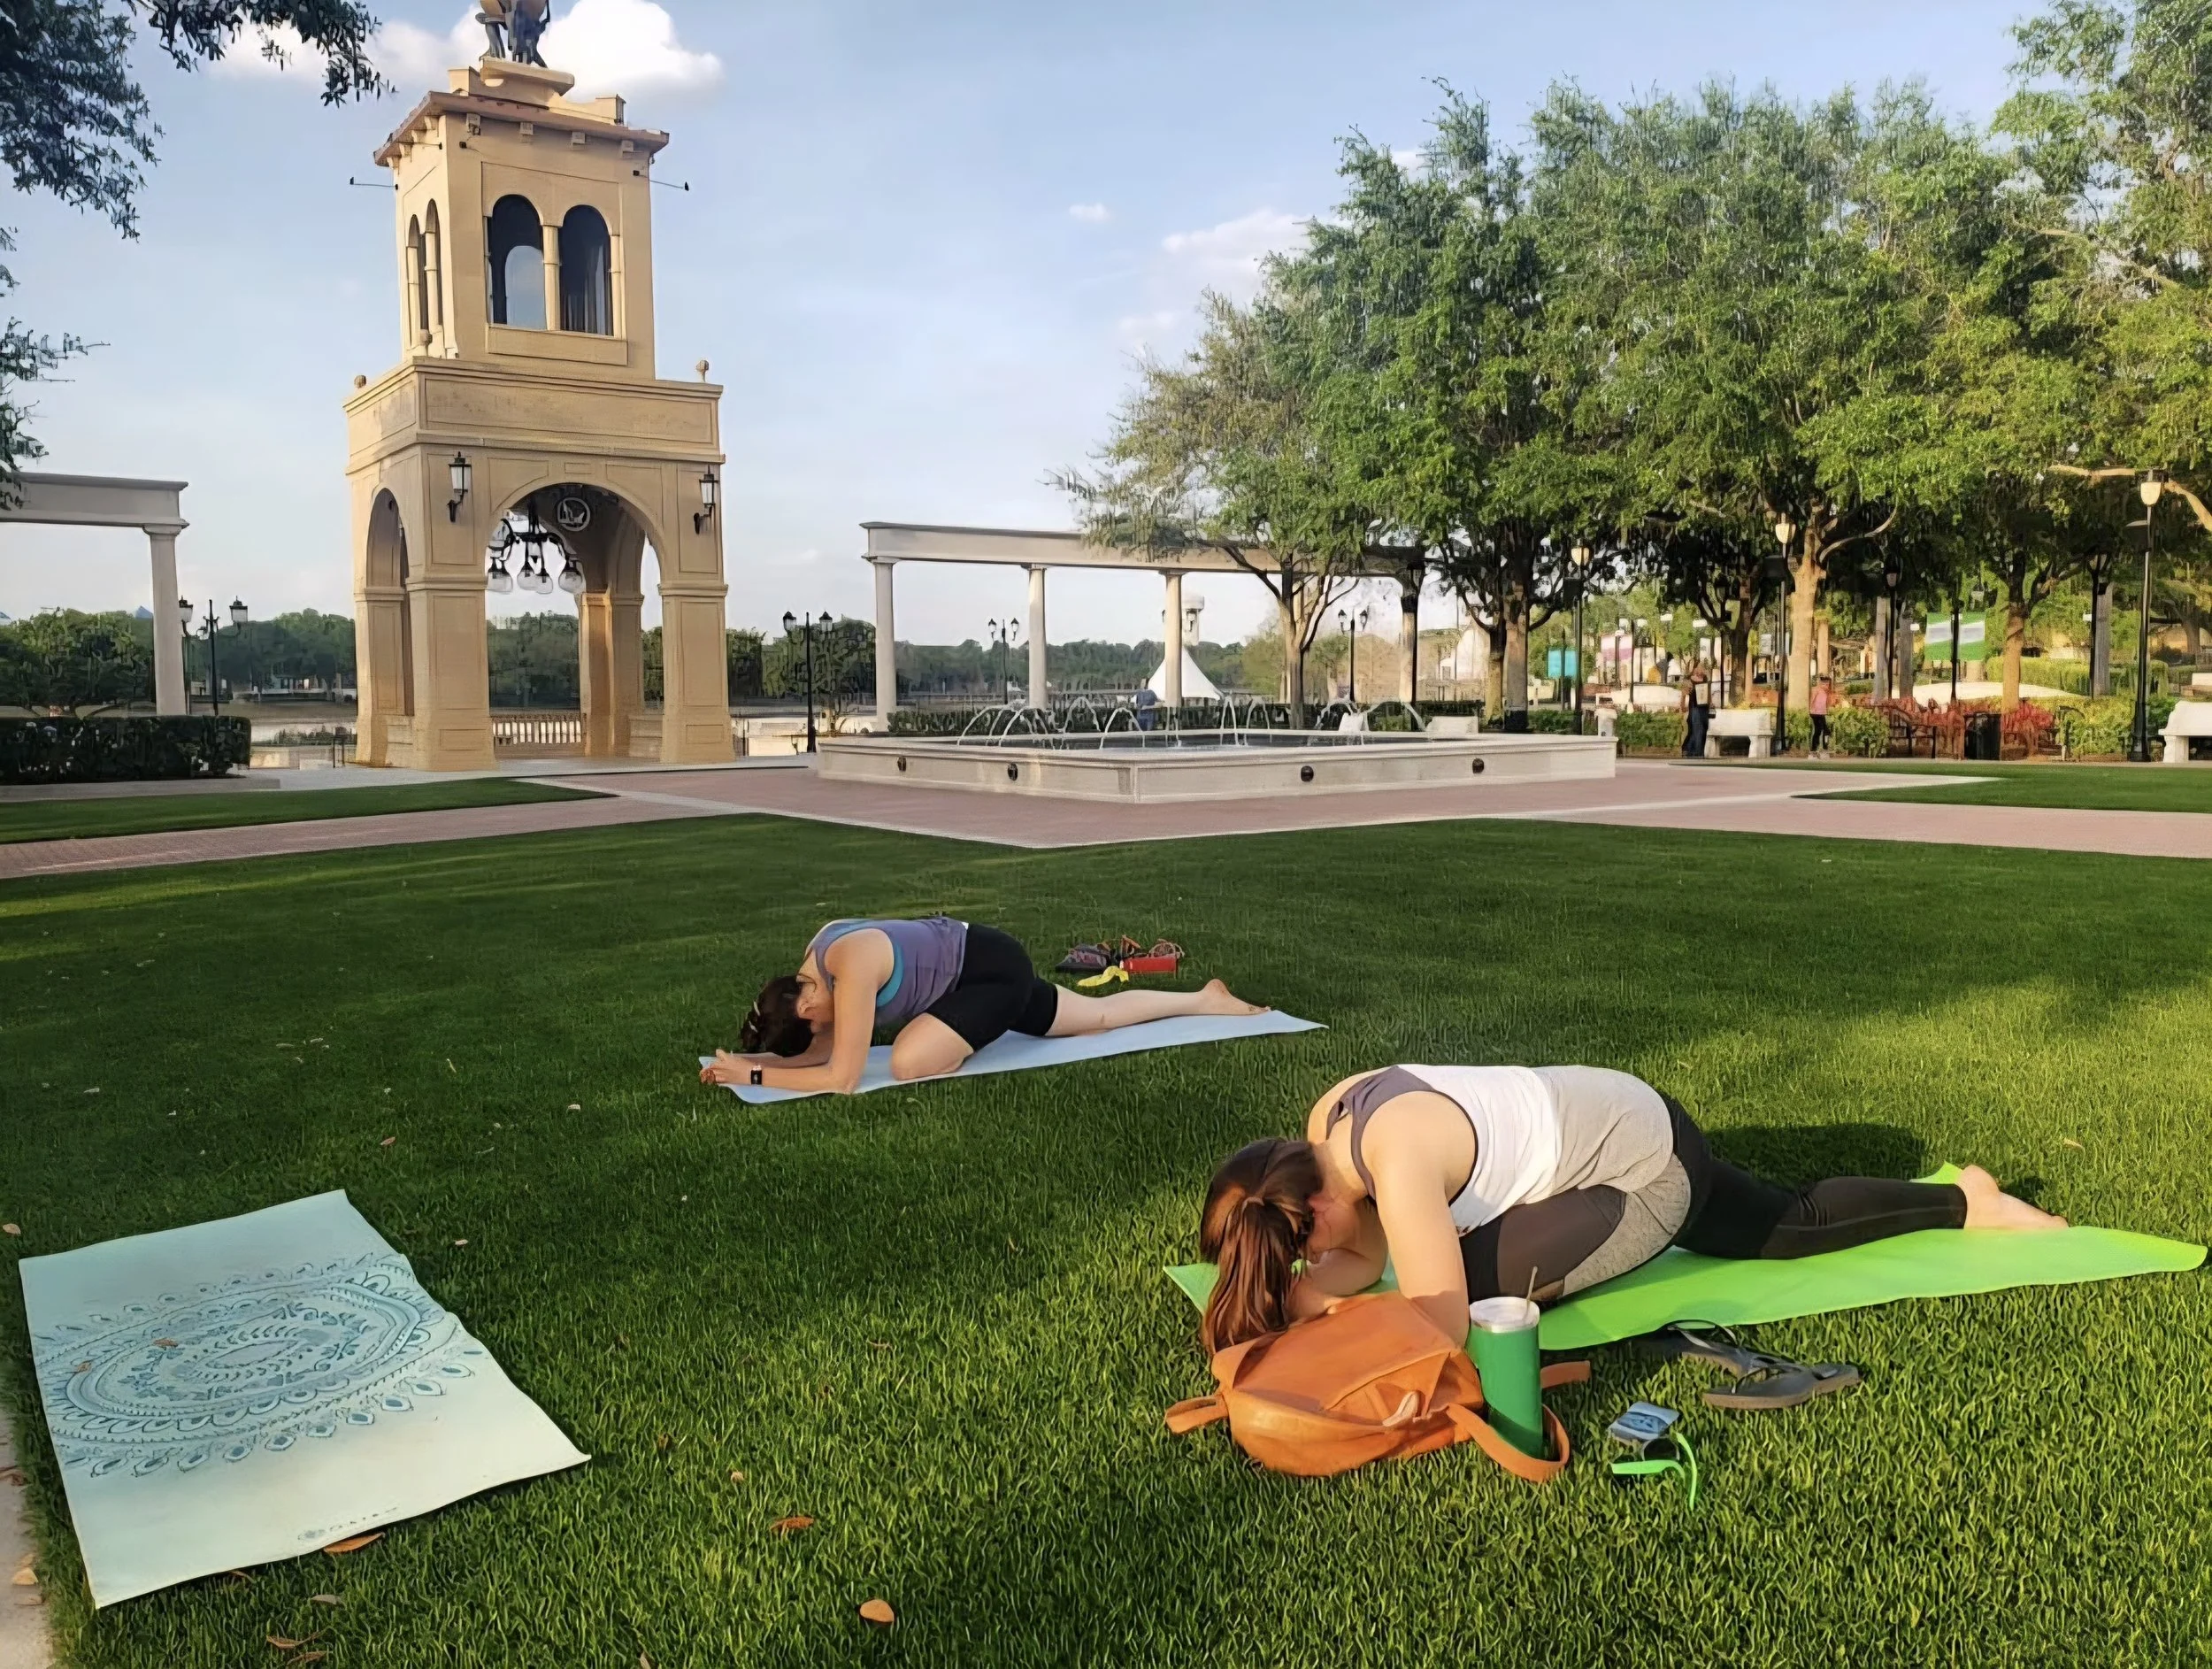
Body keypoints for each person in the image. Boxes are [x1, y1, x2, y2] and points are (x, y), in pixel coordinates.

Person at [1196, 1064, 2063, 1351]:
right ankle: (1965, 1197)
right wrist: (1303, 1292)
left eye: (1300, 1248)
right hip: (1628, 1112)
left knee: (1481, 1290)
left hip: (1644, 1167)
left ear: (1309, 1197)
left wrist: (1316, 1310)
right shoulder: (1328, 1121)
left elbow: (1440, 1317)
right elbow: (1356, 1252)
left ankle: (1966, 1200)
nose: (1313, 1263)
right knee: (1786, 1225)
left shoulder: (1394, 1154)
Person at [703, 917, 1265, 1094]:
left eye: (815, 1027)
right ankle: (1202, 998)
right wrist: (756, 1066)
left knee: (905, 1060)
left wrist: (754, 1075)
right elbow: (815, 1058)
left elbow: (842, 1076)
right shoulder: (815, 966)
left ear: (805, 1010)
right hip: (976, 979)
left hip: (990, 972)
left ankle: (963, 1041)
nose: (827, 1028)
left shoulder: (847, 966)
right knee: (1100, 1017)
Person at [1681, 662, 1713, 758]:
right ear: (1695, 670)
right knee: (1697, 729)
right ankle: (1694, 752)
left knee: (1704, 728)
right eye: (1699, 669)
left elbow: (1708, 692)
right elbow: (1683, 694)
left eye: (1703, 670)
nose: (1701, 671)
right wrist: (1682, 705)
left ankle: (1696, 751)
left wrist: (1710, 702)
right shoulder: (1689, 680)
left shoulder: (1705, 679)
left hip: (1704, 707)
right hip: (1694, 707)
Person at [1809, 675, 1834, 758]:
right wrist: (1810, 709)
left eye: (1828, 684)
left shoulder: (1826, 692)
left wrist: (1828, 710)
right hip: (1815, 713)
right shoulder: (1816, 690)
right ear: (1821, 683)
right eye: (1825, 684)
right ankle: (1815, 749)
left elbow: (1827, 703)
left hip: (1822, 713)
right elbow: (1812, 699)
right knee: (1821, 730)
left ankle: (1822, 748)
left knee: (1822, 731)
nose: (1827, 686)